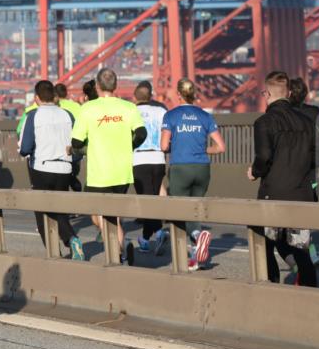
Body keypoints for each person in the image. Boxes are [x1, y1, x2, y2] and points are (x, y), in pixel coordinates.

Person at [246, 71, 317, 286]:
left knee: (265, 245)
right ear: (288, 92)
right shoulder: (307, 122)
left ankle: (272, 288)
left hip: (272, 194)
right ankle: (311, 289)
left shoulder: (264, 122)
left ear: (266, 93)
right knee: (301, 248)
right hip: (302, 193)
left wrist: (254, 172)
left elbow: (264, 156)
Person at [70, 68, 146, 265]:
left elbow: (76, 142)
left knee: (98, 218)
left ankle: (118, 250)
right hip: (123, 173)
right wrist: (130, 146)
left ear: (97, 86)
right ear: (116, 85)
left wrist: (87, 145)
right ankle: (122, 252)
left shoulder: (88, 109)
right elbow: (142, 134)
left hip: (98, 174)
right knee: (114, 216)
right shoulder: (129, 107)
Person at [161, 79, 225, 270]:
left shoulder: (171, 115)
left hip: (181, 167)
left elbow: (164, 146)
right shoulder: (205, 116)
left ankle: (198, 236)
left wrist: (179, 145)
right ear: (194, 94)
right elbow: (221, 147)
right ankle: (195, 258)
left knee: (181, 211)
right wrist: (202, 150)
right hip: (202, 169)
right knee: (195, 210)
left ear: (179, 95)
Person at [18, 80, 84, 260]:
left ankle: (54, 254)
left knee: (42, 214)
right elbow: (78, 143)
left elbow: (25, 148)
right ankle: (72, 239)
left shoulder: (33, 116)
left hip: (42, 167)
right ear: (55, 96)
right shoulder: (67, 114)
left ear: (37, 98)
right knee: (59, 209)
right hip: (64, 168)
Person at [288, 77, 319, 268]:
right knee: (304, 214)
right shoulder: (316, 113)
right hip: (311, 171)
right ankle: (309, 253)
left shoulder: (283, 114)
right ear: (305, 94)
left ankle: (304, 256)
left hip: (288, 170)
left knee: (288, 218)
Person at [132, 81, 170, 255]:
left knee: (146, 202)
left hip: (139, 159)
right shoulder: (161, 111)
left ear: (135, 97)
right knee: (152, 199)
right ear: (151, 96)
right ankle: (145, 241)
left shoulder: (131, 111)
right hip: (158, 159)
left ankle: (160, 232)